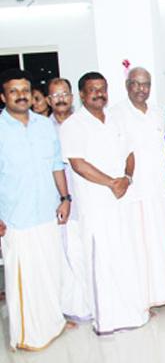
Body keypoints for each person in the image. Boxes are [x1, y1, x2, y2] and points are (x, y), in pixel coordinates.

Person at [59, 72, 149, 335]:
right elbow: (78, 164)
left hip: (121, 199)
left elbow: (130, 154)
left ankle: (132, 313)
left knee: (125, 255)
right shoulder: (74, 125)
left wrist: (127, 178)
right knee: (101, 260)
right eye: (93, 89)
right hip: (95, 204)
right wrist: (111, 182)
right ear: (82, 94)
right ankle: (107, 320)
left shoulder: (115, 119)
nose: (99, 93)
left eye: (103, 88)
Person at [0, 68, 71, 350]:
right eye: (14, 91)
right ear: (3, 96)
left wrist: (65, 198)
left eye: (25, 90)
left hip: (47, 212)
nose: (21, 96)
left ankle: (53, 324)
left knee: (50, 273)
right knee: (24, 279)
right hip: (16, 218)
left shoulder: (44, 126)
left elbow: (56, 165)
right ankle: (27, 336)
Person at [110, 67, 165, 308]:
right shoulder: (116, 114)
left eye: (146, 84)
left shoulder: (157, 113)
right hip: (135, 192)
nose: (141, 89)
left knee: (161, 242)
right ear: (127, 85)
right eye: (136, 83)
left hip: (158, 189)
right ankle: (142, 297)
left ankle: (164, 292)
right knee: (138, 245)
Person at [47, 77, 92, 323]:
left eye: (64, 94)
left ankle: (93, 303)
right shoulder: (45, 129)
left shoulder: (83, 124)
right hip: (60, 204)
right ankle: (75, 307)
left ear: (72, 97)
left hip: (88, 200)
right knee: (67, 256)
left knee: (88, 254)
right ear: (48, 100)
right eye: (55, 95)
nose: (61, 99)